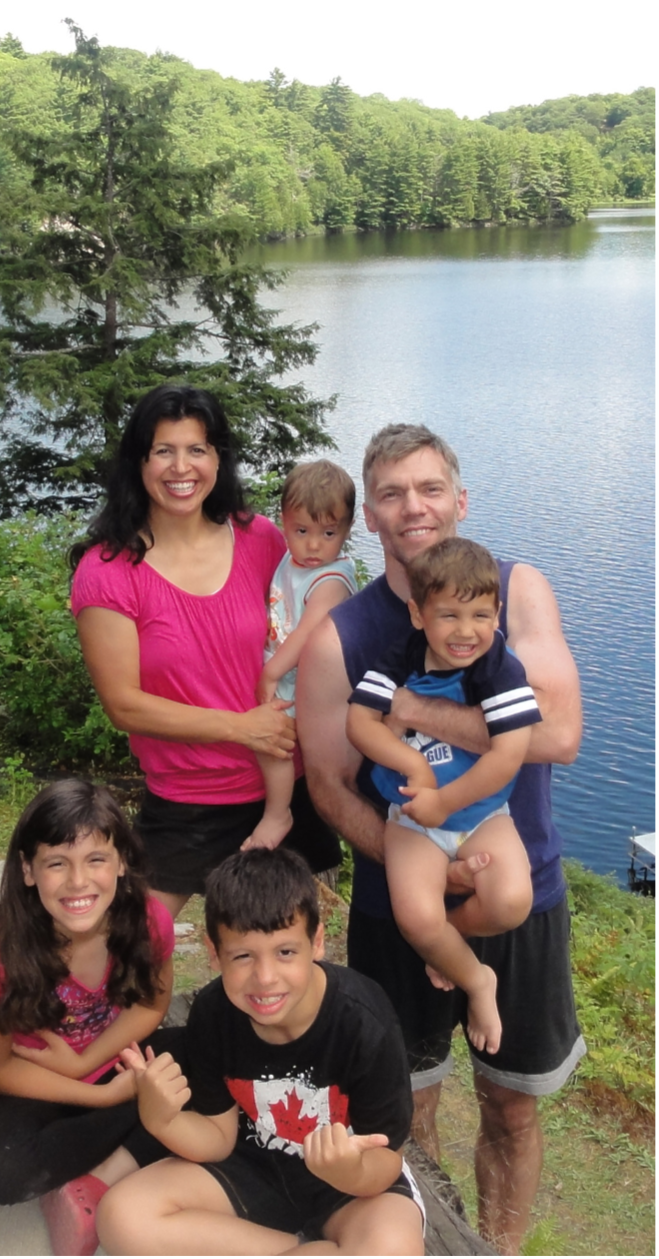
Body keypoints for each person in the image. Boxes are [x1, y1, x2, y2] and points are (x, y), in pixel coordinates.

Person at [298, 424, 584, 1255]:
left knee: (513, 1100)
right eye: (390, 492)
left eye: (429, 489)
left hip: (521, 884)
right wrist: (428, 876)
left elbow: (559, 732)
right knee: (402, 1102)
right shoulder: (343, 637)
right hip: (401, 901)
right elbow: (328, 784)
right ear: (370, 518)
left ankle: (497, 1245)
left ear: (460, 500)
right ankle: (428, 1242)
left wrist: (419, 714)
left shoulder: (516, 590)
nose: (411, 507)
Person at [71, 383, 340, 918]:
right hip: (187, 799)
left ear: (218, 459)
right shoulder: (107, 572)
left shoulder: (261, 538)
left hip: (284, 786)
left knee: (282, 958)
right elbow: (123, 705)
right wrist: (241, 727)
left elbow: (323, 612)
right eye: (163, 450)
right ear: (139, 461)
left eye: (197, 449)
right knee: (134, 947)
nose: (181, 467)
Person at [97, 848, 425, 1257]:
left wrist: (349, 1171)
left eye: (285, 952)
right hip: (253, 1163)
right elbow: (217, 1139)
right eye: (243, 956)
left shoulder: (365, 1024)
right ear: (214, 953)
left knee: (391, 1248)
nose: (265, 978)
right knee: (122, 1217)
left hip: (351, 1188)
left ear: (317, 941)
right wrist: (160, 1119)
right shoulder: (214, 1013)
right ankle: (305, 1248)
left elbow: (385, 1164)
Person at [0, 779, 177, 1257]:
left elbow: (152, 1005)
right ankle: (131, 1138)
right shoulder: (5, 951)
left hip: (111, 1060)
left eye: (95, 860)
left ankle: (97, 1182)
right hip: (32, 1083)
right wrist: (96, 1095)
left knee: (200, 1059)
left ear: (121, 861)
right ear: (28, 870)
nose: (78, 882)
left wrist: (86, 1063)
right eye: (57, 863)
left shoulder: (148, 921)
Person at [346, 538, 538, 1056]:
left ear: (497, 615)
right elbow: (359, 721)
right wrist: (410, 765)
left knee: (511, 900)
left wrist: (445, 803)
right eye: (448, 615)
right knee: (414, 916)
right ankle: (477, 980)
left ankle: (445, 944)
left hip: (480, 810)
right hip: (409, 815)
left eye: (480, 614)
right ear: (417, 613)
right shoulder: (401, 658)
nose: (465, 631)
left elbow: (508, 755)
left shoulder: (498, 668)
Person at [252, 459, 358, 849]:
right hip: (286, 672)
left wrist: (271, 671)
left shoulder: (332, 578)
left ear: (346, 530)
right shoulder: (292, 559)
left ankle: (278, 813)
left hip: (302, 680)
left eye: (328, 533)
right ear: (284, 523)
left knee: (272, 742)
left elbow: (309, 628)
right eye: (302, 531)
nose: (314, 545)